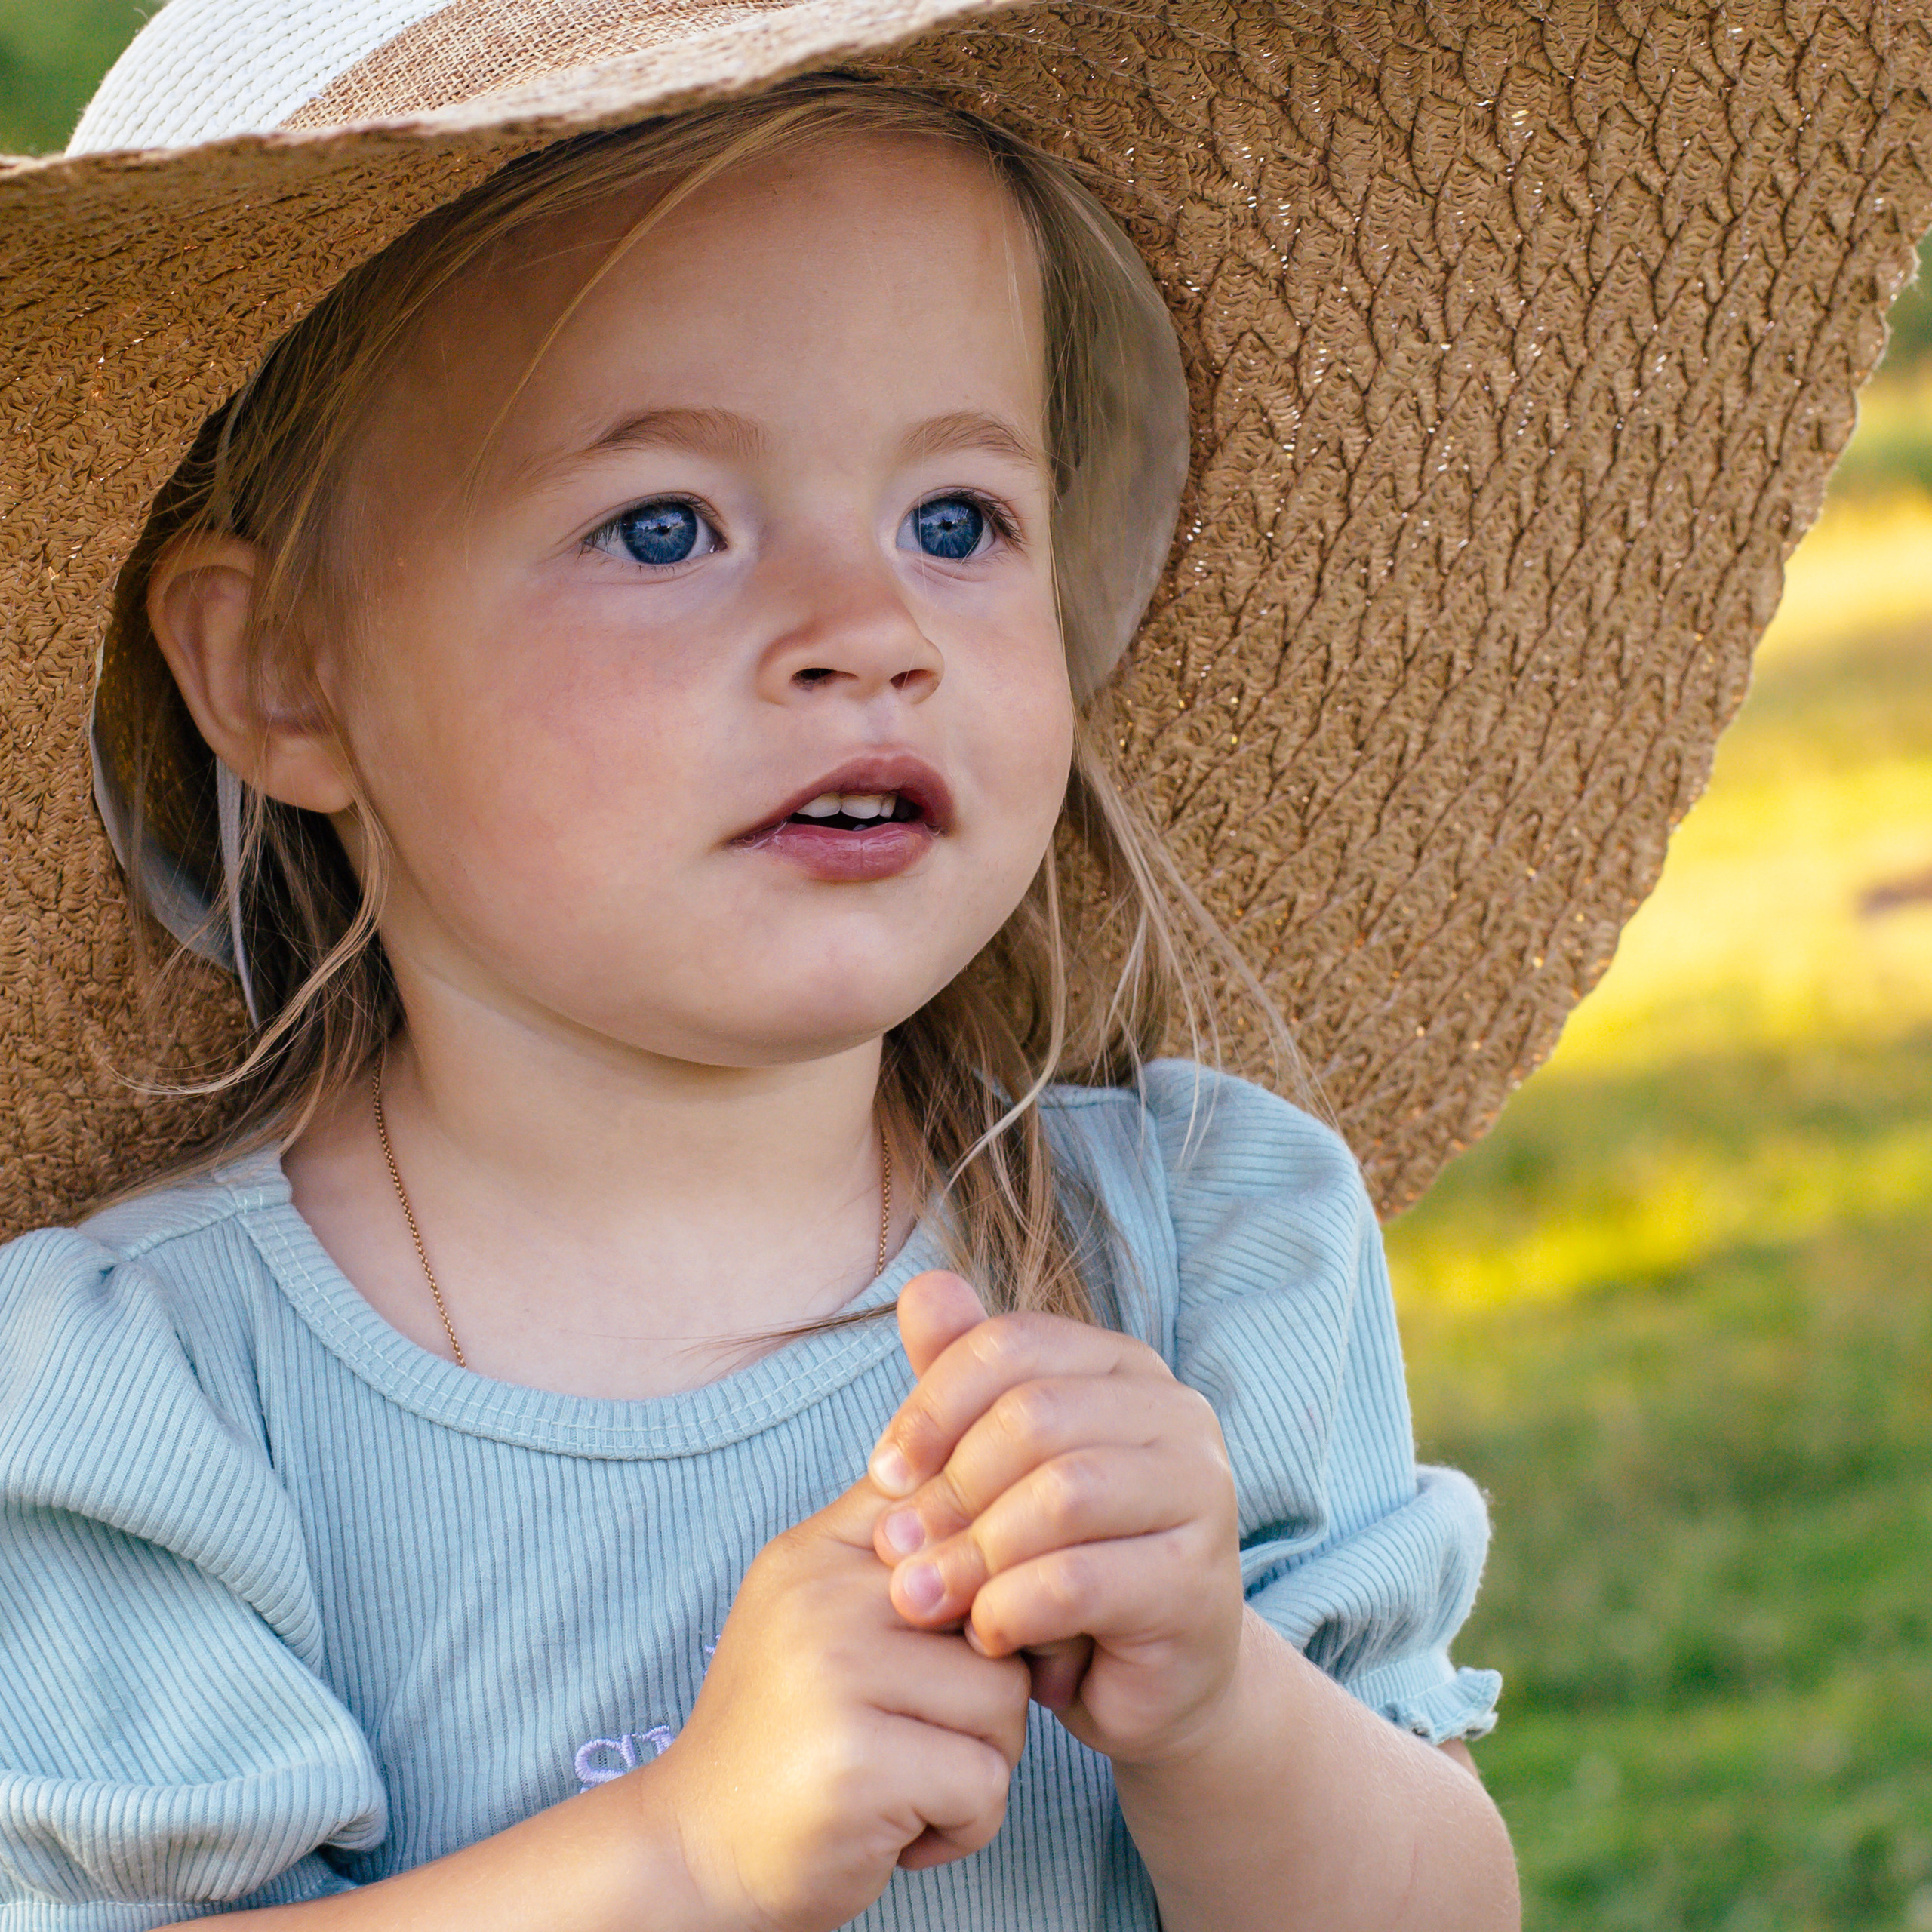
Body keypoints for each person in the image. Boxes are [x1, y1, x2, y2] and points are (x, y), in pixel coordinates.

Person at [2, 4, 1918, 1930]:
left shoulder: (1195, 1248)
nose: (871, 629)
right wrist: (675, 1850)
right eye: (661, 525)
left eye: (956, 519)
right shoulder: (146, 1394)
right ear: (278, 673)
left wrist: (1220, 1708)